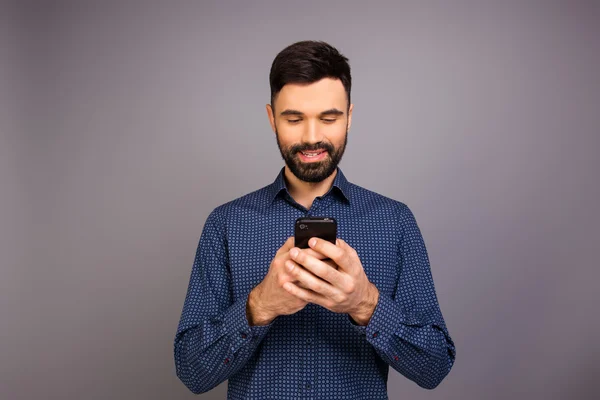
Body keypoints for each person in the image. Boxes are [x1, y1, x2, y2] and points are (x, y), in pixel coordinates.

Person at [173, 40, 456, 399]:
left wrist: (365, 303)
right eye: (293, 118)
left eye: (329, 118)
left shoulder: (394, 221)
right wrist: (259, 305)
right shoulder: (226, 225)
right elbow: (191, 371)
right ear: (271, 117)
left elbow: (435, 367)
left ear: (349, 116)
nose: (311, 137)